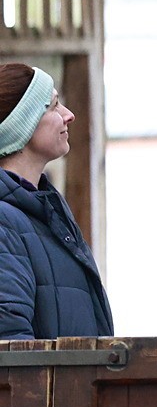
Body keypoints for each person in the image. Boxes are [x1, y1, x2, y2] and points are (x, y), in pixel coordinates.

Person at [0, 63, 113, 339]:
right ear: (22, 124)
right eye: (53, 106)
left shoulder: (45, 212)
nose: (69, 115)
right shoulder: (4, 222)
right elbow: (9, 344)